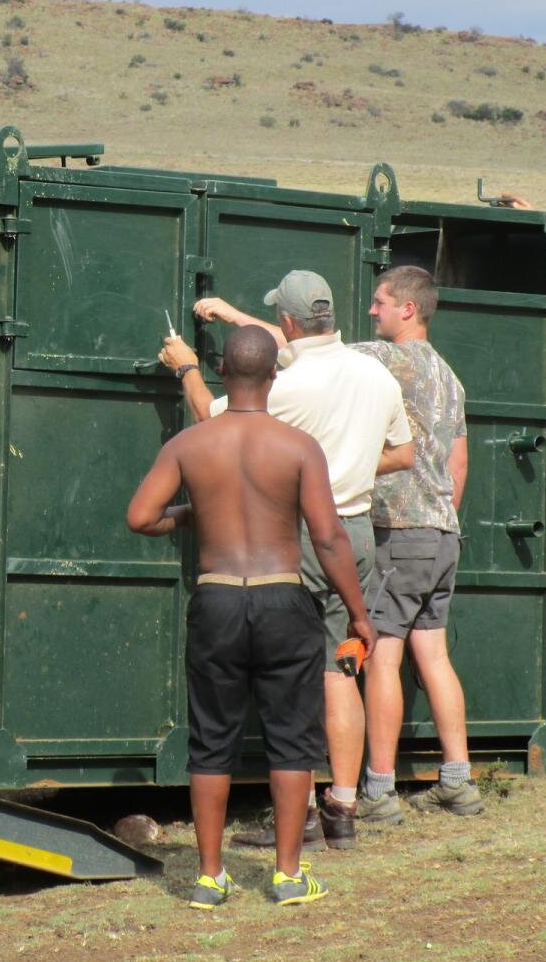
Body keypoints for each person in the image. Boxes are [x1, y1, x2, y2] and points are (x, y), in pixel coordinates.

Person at [160, 270, 413, 850]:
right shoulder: (375, 374)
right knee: (338, 671)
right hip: (357, 533)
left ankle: (293, 821)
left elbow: (213, 420)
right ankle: (343, 807)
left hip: (298, 535)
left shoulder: (293, 385)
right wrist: (341, 472)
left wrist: (185, 368)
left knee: (290, 682)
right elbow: (403, 453)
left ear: (291, 324)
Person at [128, 326, 376, 908]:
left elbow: (141, 516)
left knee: (212, 739)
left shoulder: (190, 444)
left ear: (223, 374)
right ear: (272, 377)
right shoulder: (297, 446)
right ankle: (288, 876)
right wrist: (360, 616)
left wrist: (190, 515)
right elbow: (329, 538)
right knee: (292, 739)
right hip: (282, 598)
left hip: (216, 598)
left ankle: (211, 877)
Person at [352, 266, 482, 820]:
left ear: (409, 309)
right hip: (442, 533)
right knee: (433, 652)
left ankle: (379, 791)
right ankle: (458, 780)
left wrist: (238, 319)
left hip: (401, 533)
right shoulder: (450, 376)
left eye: (380, 302)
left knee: (383, 655)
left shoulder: (391, 359)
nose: (372, 310)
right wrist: (440, 515)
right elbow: (459, 462)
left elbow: (311, 351)